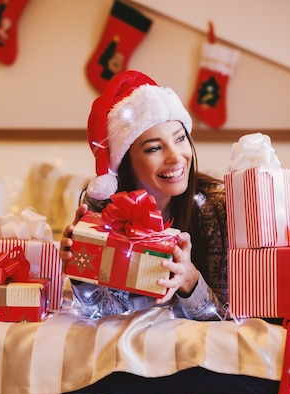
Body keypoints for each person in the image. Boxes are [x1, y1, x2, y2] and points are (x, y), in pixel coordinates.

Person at [60, 70, 228, 320]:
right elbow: (102, 314)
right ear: (126, 162)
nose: (175, 157)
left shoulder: (215, 206)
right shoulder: (102, 208)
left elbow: (227, 319)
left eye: (180, 139)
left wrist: (189, 278)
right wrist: (81, 269)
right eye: (155, 148)